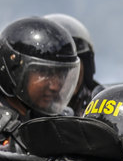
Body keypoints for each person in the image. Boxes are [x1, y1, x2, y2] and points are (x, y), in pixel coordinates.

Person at [0, 16, 81, 145]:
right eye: (45, 73)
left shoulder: (62, 123)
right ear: (12, 70)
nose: (55, 86)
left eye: (61, 75)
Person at [42, 14, 102, 117]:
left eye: (71, 68)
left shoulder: (102, 106)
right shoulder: (23, 110)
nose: (63, 78)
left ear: (86, 68)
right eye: (55, 69)